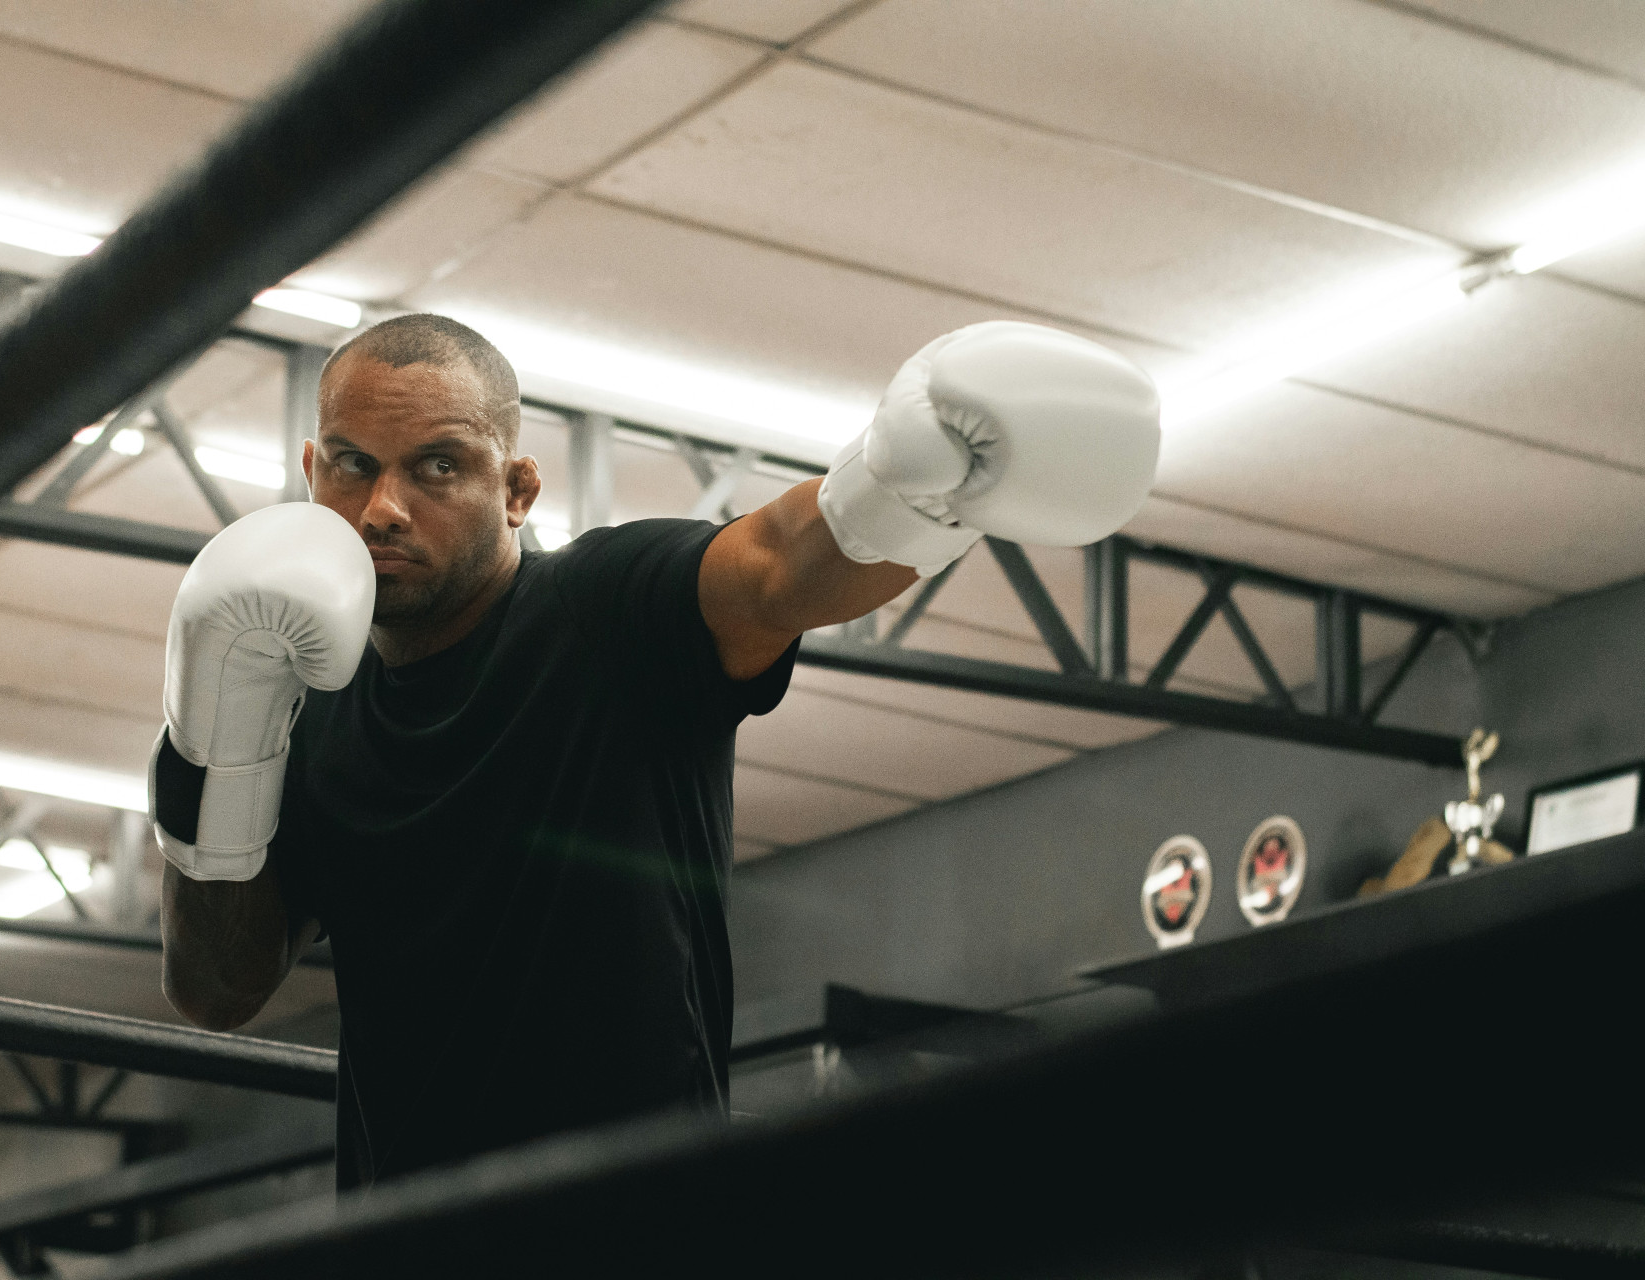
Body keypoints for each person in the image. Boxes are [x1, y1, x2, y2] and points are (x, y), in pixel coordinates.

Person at [150, 313, 1159, 1188]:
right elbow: (217, 987)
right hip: (405, 1242)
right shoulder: (304, 707)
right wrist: (213, 741)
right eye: (353, 464)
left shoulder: (603, 610)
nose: (383, 507)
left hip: (630, 1233)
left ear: (518, 489)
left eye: (438, 466)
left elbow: (773, 567)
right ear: (311, 472)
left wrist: (911, 483)